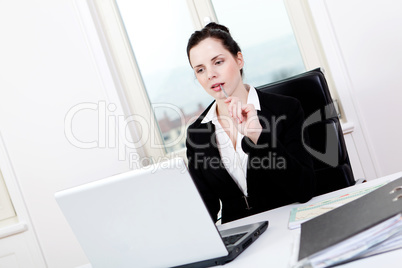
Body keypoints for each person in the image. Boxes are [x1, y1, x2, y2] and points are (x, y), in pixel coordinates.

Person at [185, 22, 316, 223]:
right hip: (239, 235)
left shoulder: (286, 109)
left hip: (288, 222)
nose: (210, 74)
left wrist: (258, 136)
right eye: (200, 69)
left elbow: (304, 189)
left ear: (239, 59)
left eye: (218, 62)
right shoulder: (197, 133)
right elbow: (205, 209)